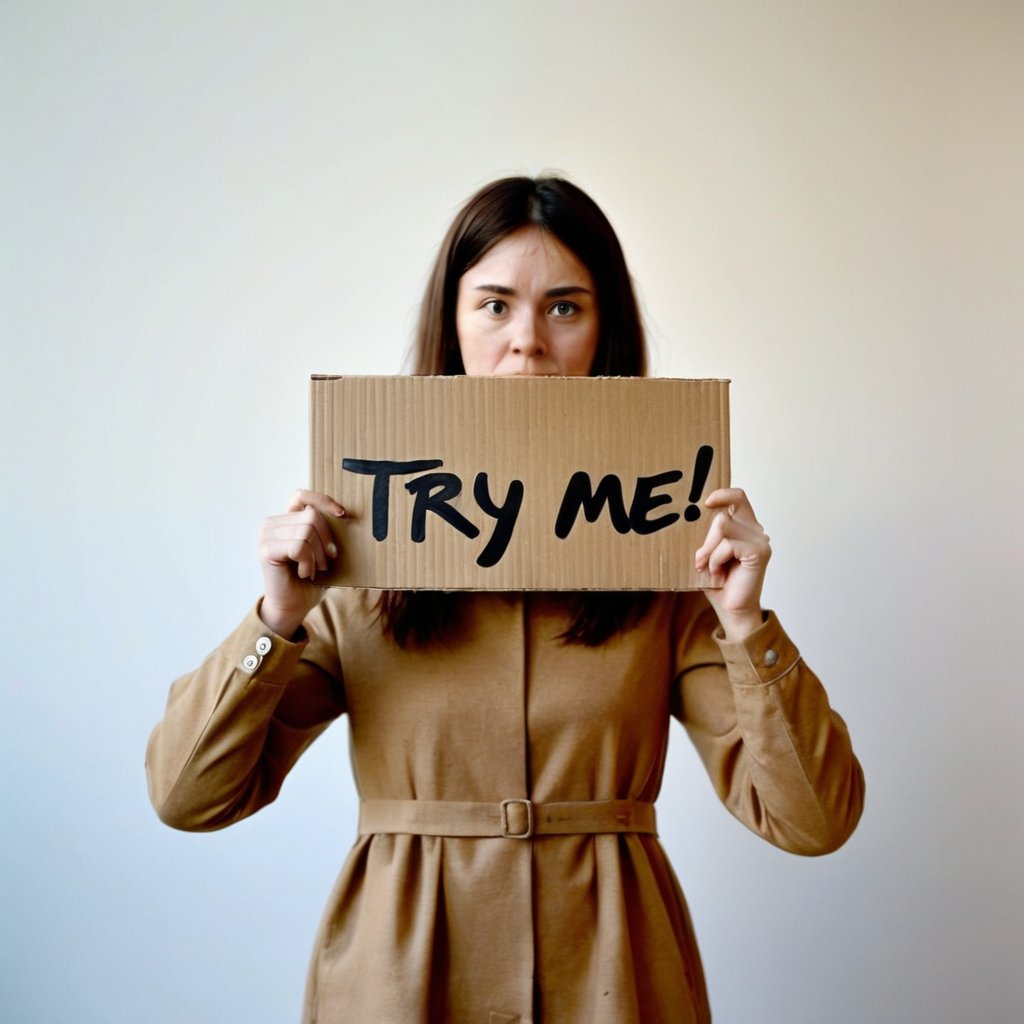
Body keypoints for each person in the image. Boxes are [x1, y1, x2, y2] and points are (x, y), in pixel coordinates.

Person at [146, 175, 864, 1024]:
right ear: (452, 325)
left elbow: (811, 821)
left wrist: (746, 626)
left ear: (606, 332)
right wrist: (276, 620)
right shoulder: (362, 560)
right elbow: (188, 796)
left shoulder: (672, 567)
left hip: (615, 978)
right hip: (403, 979)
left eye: (565, 308)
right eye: (494, 306)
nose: (527, 342)